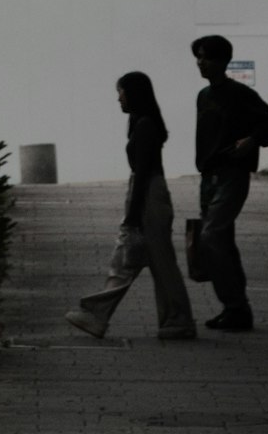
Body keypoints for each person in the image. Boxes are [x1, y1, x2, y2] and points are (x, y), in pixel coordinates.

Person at [66, 72, 196, 340]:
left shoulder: (145, 125)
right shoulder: (143, 123)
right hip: (150, 193)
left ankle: (97, 315)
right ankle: (175, 320)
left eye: (121, 92)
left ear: (134, 94)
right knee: (153, 263)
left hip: (148, 195)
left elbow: (144, 172)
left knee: (132, 259)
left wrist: (132, 215)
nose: (118, 98)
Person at [191, 34, 268, 333]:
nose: (200, 62)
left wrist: (252, 141)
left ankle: (235, 305)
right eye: (198, 56)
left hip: (232, 174)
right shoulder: (203, 97)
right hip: (210, 177)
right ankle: (235, 309)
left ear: (222, 60)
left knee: (212, 234)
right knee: (222, 241)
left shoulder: (240, 94)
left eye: (205, 56)